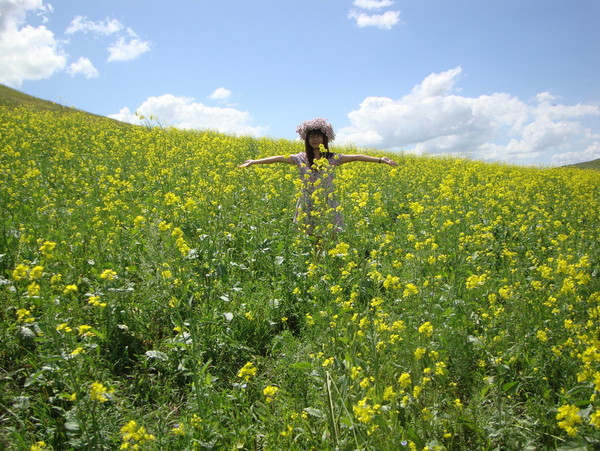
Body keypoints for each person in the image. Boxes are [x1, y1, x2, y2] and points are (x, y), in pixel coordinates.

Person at [239, 118, 397, 237]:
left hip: (327, 202)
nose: (315, 139)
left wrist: (380, 160)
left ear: (325, 139)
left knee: (332, 235)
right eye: (312, 136)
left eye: (318, 136)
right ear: (307, 140)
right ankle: (316, 265)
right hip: (308, 202)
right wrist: (254, 162)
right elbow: (279, 158)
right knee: (312, 237)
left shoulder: (333, 158)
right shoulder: (300, 158)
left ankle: (331, 264)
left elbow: (356, 157)